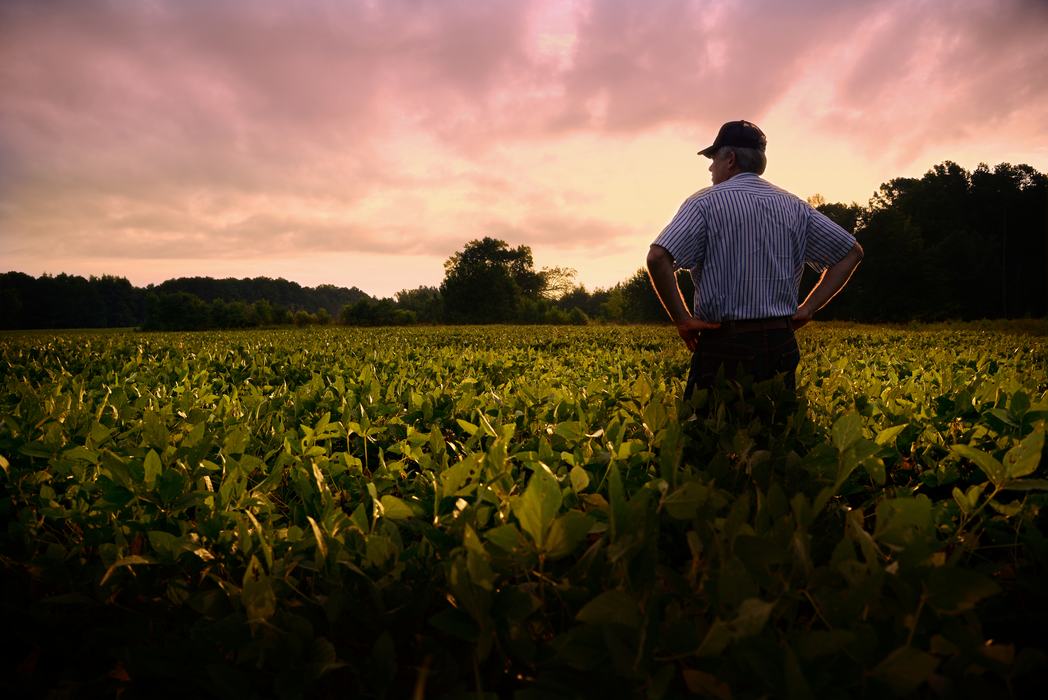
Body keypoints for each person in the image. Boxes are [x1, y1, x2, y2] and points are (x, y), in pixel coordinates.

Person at [646, 119, 863, 397]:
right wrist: (808, 308)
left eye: (713, 160)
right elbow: (851, 252)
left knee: (707, 431)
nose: (711, 168)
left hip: (724, 343)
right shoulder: (794, 206)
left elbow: (658, 257)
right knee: (775, 432)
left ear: (730, 159)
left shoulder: (704, 203)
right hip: (780, 341)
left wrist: (682, 319)